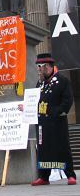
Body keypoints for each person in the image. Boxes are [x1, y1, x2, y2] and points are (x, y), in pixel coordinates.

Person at [31, 53, 76, 186]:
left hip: (57, 122)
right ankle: (44, 176)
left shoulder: (62, 81)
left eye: (41, 67)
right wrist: (27, 107)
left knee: (62, 147)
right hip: (42, 123)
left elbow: (68, 100)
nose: (39, 69)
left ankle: (70, 175)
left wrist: (56, 112)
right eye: (38, 67)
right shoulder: (39, 84)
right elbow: (34, 101)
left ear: (48, 66)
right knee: (43, 149)